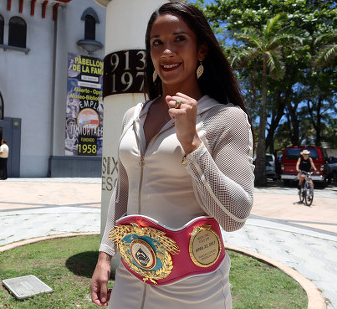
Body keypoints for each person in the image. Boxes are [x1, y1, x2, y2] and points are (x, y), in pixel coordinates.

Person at [90, 3, 254, 308]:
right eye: (157, 42)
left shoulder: (225, 118)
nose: (167, 51)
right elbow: (123, 190)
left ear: (202, 50)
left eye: (179, 39)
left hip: (194, 288)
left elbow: (236, 215)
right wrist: (105, 255)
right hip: (130, 276)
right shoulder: (133, 116)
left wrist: (192, 143)